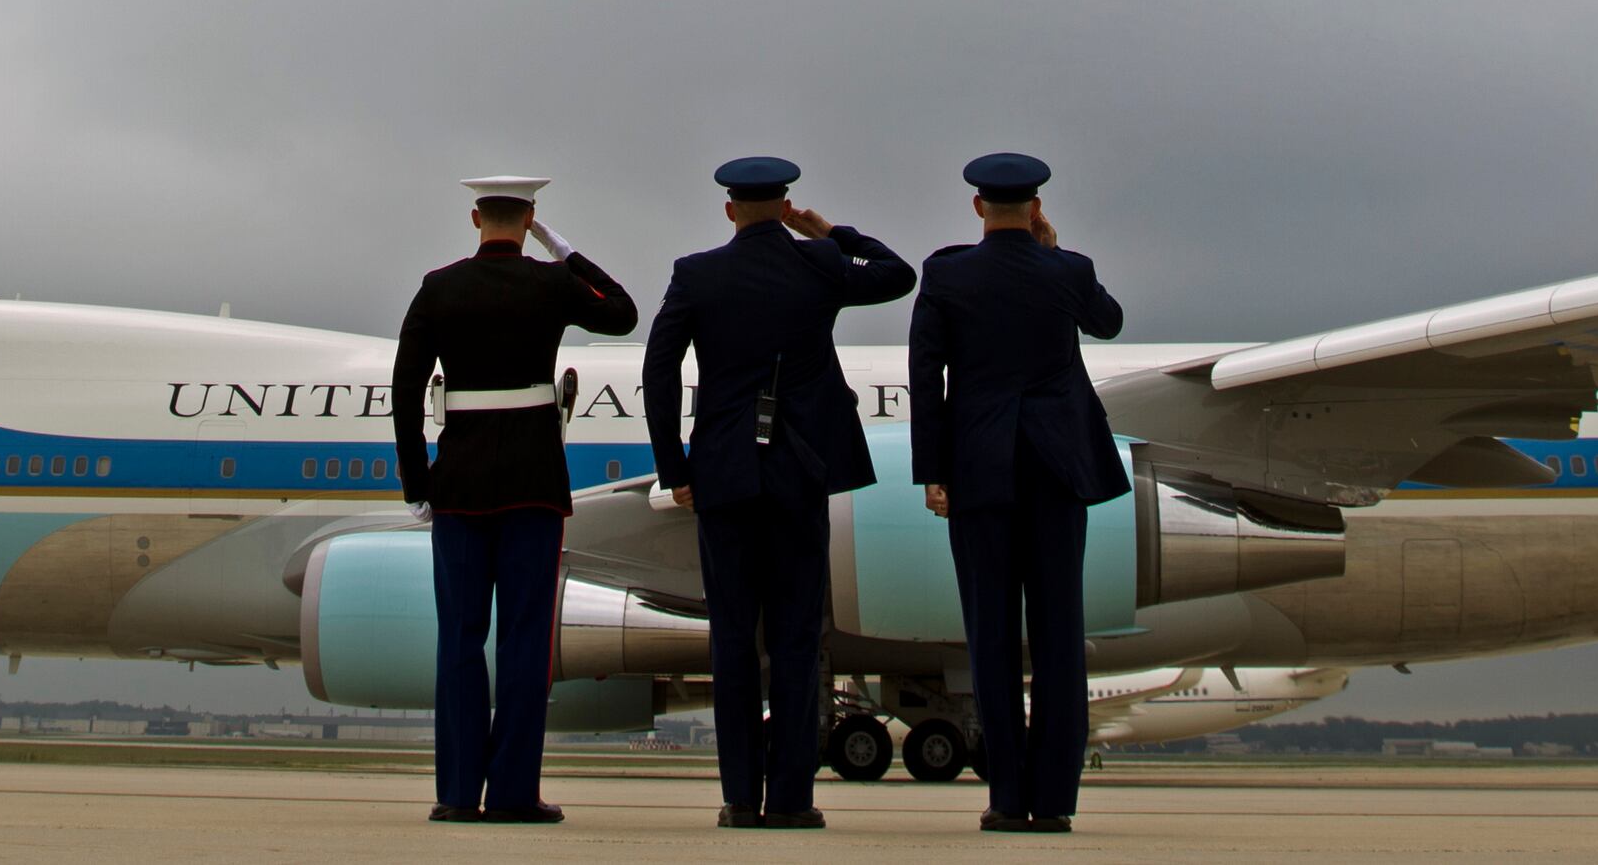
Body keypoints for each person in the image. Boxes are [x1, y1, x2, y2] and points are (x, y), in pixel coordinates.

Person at [643, 156, 916, 829]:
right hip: (800, 470)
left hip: (727, 474)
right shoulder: (818, 265)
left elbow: (659, 370)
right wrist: (833, 234)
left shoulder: (697, 274)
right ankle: (793, 798)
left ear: (730, 208)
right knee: (797, 639)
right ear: (785, 203)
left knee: (731, 637)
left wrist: (675, 469)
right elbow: (898, 276)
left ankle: (740, 796)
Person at [394, 173, 638, 825]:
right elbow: (622, 311)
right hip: (532, 483)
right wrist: (563, 248)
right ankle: (511, 793)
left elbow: (405, 390)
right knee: (526, 641)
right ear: (529, 216)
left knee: (460, 640)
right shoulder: (550, 283)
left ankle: (454, 794)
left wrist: (419, 484)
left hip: (461, 484)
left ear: (476, 217)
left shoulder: (439, 288)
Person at [906, 153, 1125, 834]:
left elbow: (926, 375)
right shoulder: (1069, 271)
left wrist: (932, 471)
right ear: (1035, 207)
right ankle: (1055, 799)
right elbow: (1108, 322)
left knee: (991, 637)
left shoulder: (947, 274)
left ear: (978, 207)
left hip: (980, 468)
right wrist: (1054, 252)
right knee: (1060, 635)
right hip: (1058, 466)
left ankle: (1006, 797)